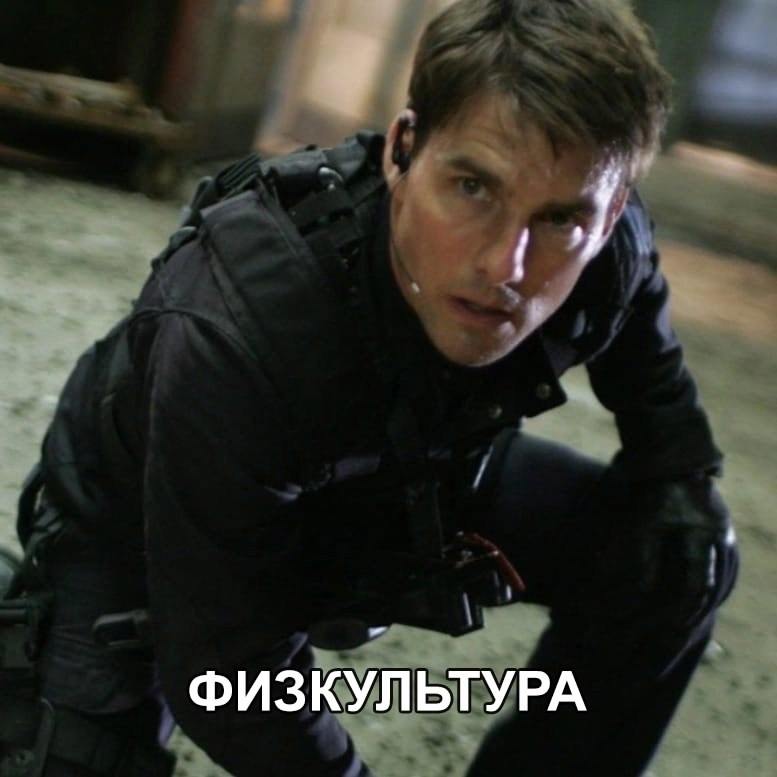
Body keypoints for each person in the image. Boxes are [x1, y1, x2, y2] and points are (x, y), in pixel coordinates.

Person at [0, 0, 738, 775]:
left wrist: (681, 475)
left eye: (557, 220)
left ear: (610, 212)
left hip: (405, 475)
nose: (505, 266)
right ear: (402, 150)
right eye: (473, 187)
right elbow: (225, 666)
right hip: (150, 525)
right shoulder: (246, 326)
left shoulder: (606, 248)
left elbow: (649, 367)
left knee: (676, 556)